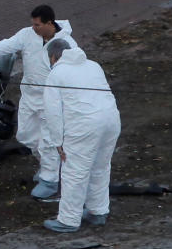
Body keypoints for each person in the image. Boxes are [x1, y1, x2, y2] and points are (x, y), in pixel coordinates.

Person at [0, 5, 76, 199]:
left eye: (37, 25)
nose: (34, 28)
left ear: (50, 23)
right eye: (32, 24)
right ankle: (52, 169)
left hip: (52, 100)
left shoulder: (67, 44)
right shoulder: (27, 35)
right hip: (30, 96)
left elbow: (75, 74)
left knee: (49, 140)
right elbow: (5, 45)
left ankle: (51, 180)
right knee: (26, 135)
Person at [42, 39, 121, 233]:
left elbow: (52, 112)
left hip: (83, 126)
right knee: (100, 167)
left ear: (53, 56)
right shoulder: (94, 65)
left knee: (74, 172)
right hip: (111, 120)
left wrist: (57, 142)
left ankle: (68, 220)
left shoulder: (56, 74)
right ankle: (98, 211)